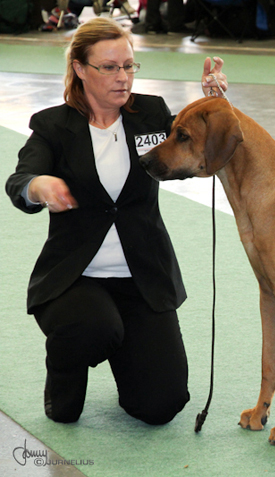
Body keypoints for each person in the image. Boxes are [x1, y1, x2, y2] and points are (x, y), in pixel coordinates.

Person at [5, 17, 227, 425]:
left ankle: (126, 352)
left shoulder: (153, 114)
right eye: (109, 67)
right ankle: (66, 373)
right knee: (94, 327)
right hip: (75, 278)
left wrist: (212, 104)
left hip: (143, 278)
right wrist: (39, 186)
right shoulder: (53, 125)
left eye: (128, 66)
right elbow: (19, 179)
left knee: (162, 405)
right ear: (80, 69)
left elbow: (202, 149)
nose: (122, 77)